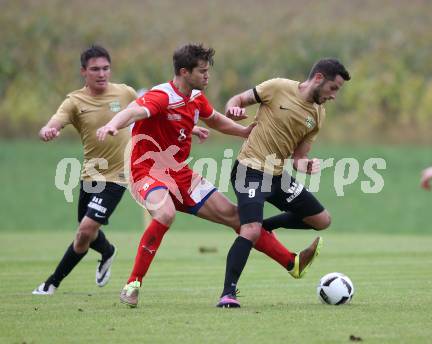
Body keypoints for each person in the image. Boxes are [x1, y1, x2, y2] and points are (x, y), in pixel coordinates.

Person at [96, 43, 308, 308]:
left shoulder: (195, 96)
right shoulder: (161, 96)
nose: (207, 76)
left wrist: (241, 131)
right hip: (146, 171)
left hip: (181, 175)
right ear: (184, 72)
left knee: (238, 217)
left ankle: (292, 262)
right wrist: (112, 125)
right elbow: (133, 111)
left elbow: (215, 119)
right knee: (165, 213)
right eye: (203, 71)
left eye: (208, 71)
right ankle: (133, 284)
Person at [32, 45, 209, 295]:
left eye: (105, 68)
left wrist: (189, 128)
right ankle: (107, 251)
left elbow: (157, 113)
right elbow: (55, 122)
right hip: (90, 174)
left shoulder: (124, 93)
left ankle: (51, 284)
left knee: (85, 229)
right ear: (84, 72)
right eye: (95, 69)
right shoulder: (74, 101)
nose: (102, 73)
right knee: (85, 235)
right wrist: (48, 130)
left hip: (120, 174)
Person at [217, 58, 351, 307]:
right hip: (250, 169)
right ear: (319, 78)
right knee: (251, 230)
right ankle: (228, 293)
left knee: (322, 220)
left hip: (277, 176)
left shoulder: (318, 115)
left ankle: (263, 227)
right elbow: (236, 100)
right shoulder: (278, 87)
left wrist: (306, 166)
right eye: (334, 88)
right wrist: (233, 109)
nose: (334, 96)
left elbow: (299, 158)